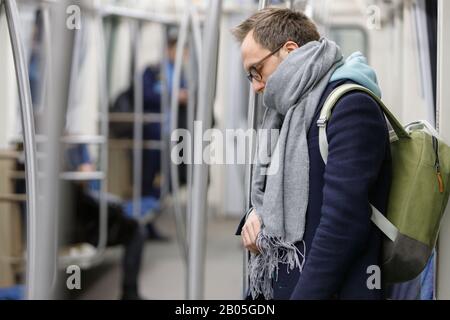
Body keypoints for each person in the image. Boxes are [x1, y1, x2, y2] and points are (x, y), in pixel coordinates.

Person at [233, 8, 391, 300]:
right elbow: (274, 196)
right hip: (277, 284)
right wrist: (254, 217)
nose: (256, 86)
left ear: (290, 51)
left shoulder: (350, 107)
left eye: (257, 70)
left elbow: (342, 226)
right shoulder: (287, 113)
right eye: (249, 77)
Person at [66, 144, 147, 300]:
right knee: (136, 230)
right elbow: (82, 200)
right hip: (78, 227)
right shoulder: (61, 156)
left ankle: (130, 293)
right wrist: (115, 207)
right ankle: (129, 293)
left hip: (76, 221)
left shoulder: (47, 155)